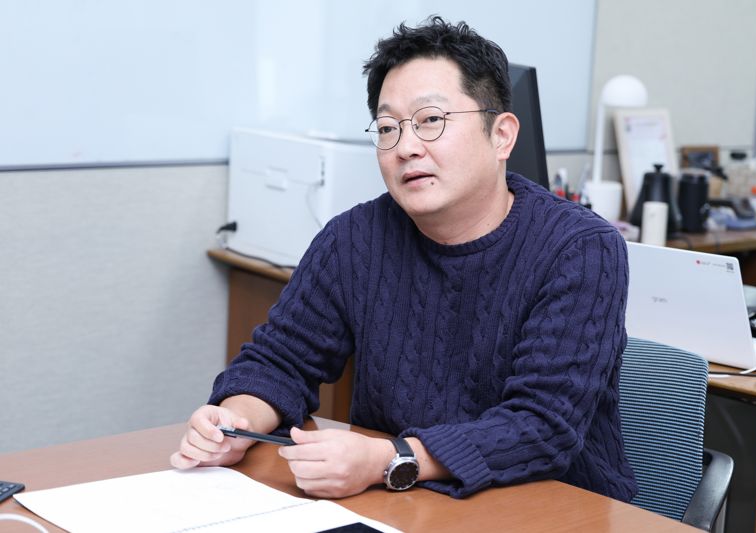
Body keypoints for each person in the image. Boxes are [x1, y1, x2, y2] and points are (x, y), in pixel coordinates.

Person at [171, 16, 637, 502]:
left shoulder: (580, 248)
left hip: (551, 507)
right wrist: (236, 421)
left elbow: (541, 427)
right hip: (406, 501)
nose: (406, 147)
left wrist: (389, 458)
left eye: (430, 120)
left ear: (501, 135)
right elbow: (279, 361)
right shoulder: (354, 238)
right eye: (388, 128)